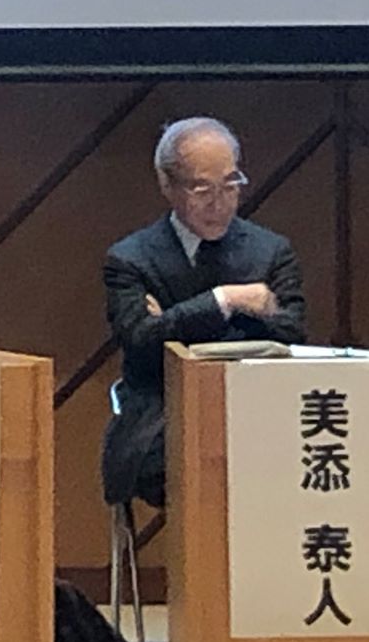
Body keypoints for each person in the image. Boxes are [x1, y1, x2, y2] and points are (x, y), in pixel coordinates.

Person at [102, 117, 305, 507]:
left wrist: (172, 320)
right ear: (167, 184)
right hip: (163, 417)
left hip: (256, 410)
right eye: (202, 189)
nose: (219, 203)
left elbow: (291, 333)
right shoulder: (130, 260)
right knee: (202, 466)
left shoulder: (271, 252)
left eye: (230, 185)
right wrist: (226, 301)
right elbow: (143, 344)